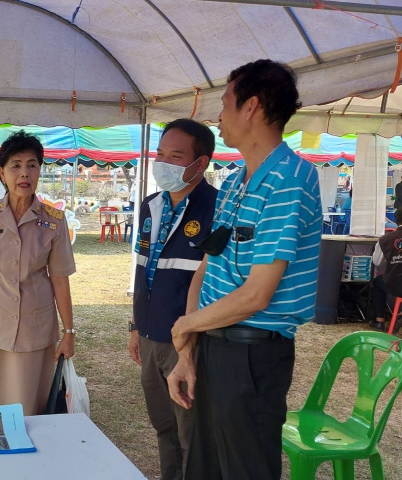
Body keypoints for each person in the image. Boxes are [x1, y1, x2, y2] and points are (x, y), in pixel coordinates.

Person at [166, 60, 322, 480]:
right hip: (213, 346)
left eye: (225, 103)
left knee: (244, 469)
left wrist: (185, 325)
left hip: (252, 356)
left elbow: (256, 295)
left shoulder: (290, 178)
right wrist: (187, 350)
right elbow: (207, 266)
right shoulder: (235, 182)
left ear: (251, 107)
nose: (218, 116)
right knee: (205, 468)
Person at [0, 130, 76, 416]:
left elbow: (59, 279)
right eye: (15, 165)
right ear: (2, 172)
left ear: (39, 170)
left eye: (32, 165)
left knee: (27, 410)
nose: (24, 173)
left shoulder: (53, 221)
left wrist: (69, 332)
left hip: (35, 329)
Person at [128, 119, 218, 480]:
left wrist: (188, 345)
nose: (163, 163)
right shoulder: (151, 205)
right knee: (163, 426)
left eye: (175, 157)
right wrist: (136, 325)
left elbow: (211, 282)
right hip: (151, 334)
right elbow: (142, 267)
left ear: (201, 163)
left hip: (189, 340)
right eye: (160, 154)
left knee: (191, 431)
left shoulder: (217, 208)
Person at [369, 209, 402, 332]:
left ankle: (379, 321)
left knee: (378, 282)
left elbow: (377, 262)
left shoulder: (385, 239)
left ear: (395, 220)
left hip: (395, 284)